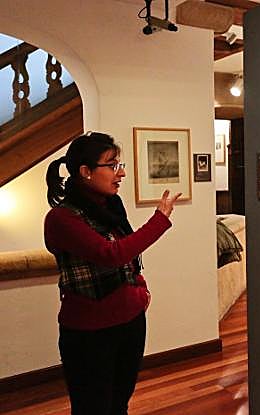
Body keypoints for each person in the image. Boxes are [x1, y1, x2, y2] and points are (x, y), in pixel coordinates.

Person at [44, 132, 181, 414]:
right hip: (89, 334)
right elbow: (111, 254)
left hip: (130, 323)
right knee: (92, 408)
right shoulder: (61, 218)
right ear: (86, 171)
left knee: (119, 404)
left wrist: (140, 290)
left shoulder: (111, 207)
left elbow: (128, 259)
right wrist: (159, 220)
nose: (122, 173)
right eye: (112, 165)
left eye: (119, 165)